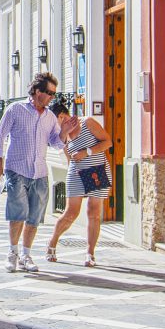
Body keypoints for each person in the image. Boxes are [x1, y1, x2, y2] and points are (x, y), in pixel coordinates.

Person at [0, 72, 78, 273]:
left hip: (39, 172)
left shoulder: (49, 117)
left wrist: (64, 132)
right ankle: (12, 253)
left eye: (54, 94)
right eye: (49, 93)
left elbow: (55, 143)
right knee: (17, 213)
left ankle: (26, 255)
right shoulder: (16, 109)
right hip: (16, 169)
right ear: (37, 91)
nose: (51, 98)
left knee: (34, 217)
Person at [46, 103, 113, 267]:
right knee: (71, 213)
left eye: (54, 120)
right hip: (76, 174)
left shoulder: (87, 122)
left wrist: (86, 152)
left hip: (97, 172)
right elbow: (67, 156)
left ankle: (90, 253)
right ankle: (51, 243)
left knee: (94, 212)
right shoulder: (63, 134)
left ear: (62, 116)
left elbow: (108, 142)